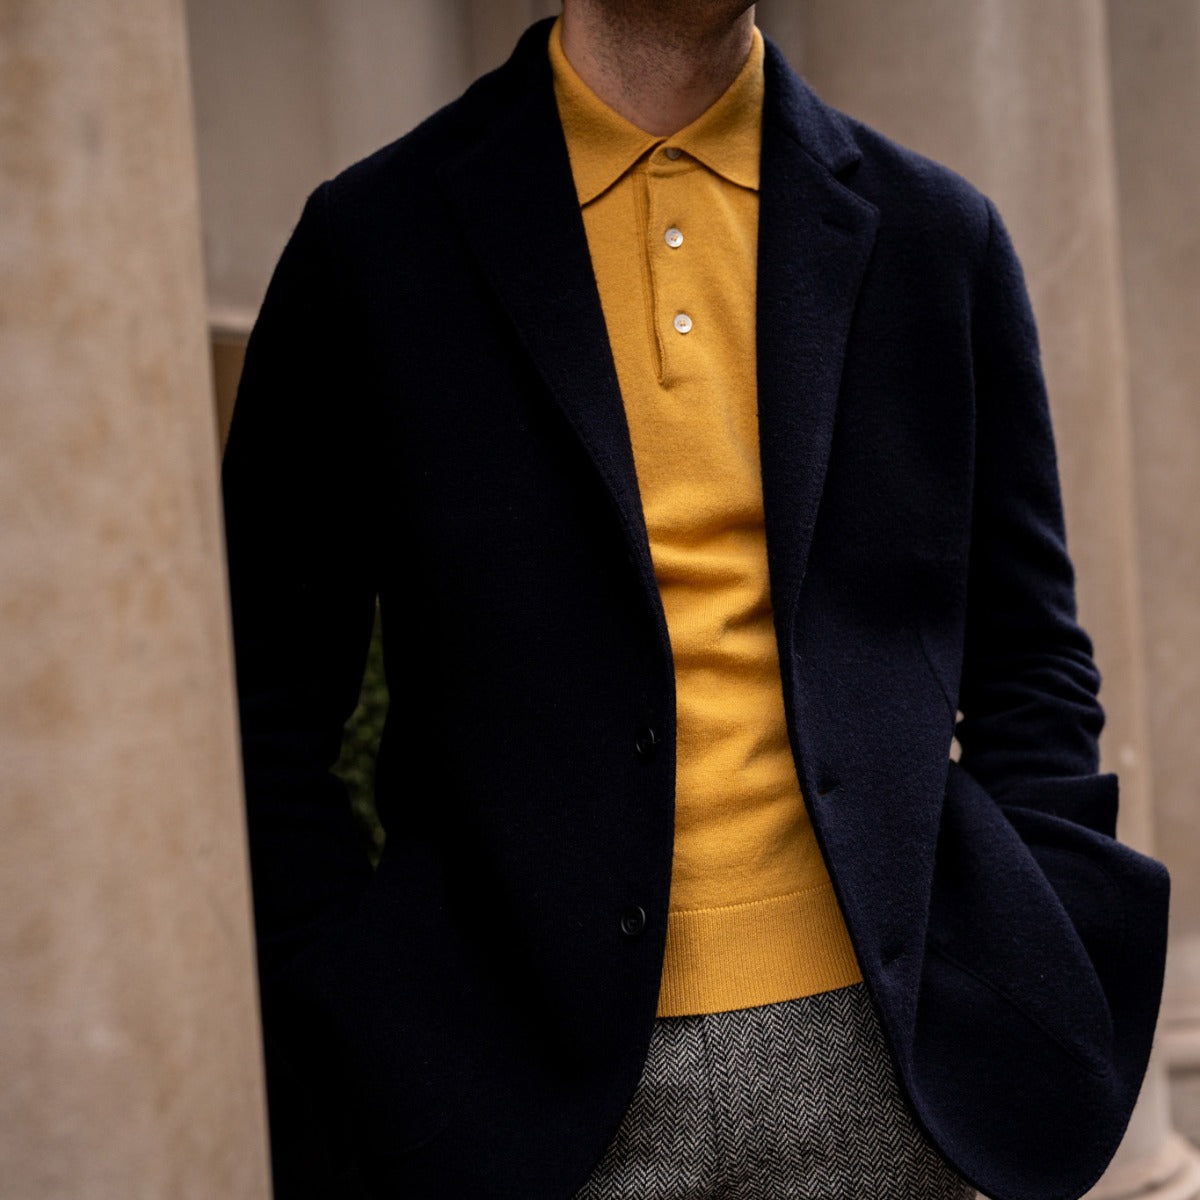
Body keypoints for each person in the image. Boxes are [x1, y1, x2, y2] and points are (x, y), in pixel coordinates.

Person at [219, 3, 1170, 1198]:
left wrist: (1039, 926)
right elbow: (258, 699)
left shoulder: (937, 236)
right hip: (509, 1089)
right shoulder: (374, 242)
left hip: (884, 1069)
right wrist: (360, 1003)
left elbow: (1032, 662)